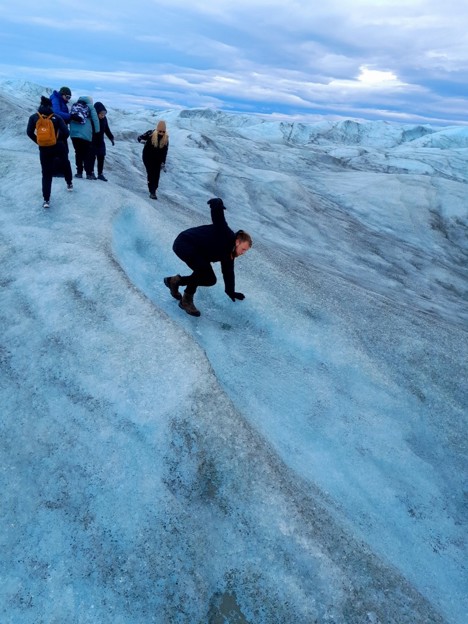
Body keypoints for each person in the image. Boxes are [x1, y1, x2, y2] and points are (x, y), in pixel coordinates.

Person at [164, 197, 252, 317]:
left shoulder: (229, 254)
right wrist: (217, 203)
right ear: (237, 242)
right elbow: (218, 217)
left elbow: (228, 272)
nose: (243, 253)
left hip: (197, 251)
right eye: (243, 249)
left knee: (210, 279)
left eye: (245, 251)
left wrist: (230, 291)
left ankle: (174, 281)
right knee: (202, 270)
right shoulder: (226, 234)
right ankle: (186, 300)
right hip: (184, 243)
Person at [26, 95, 74, 208]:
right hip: (58, 146)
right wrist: (58, 141)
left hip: (44, 149)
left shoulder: (34, 117)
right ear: (50, 106)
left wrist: (39, 142)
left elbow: (29, 132)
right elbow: (66, 132)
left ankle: (46, 200)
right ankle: (69, 183)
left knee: (46, 174)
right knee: (65, 163)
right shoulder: (57, 117)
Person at [69, 95, 100, 179]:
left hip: (74, 134)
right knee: (87, 154)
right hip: (85, 134)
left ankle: (79, 172)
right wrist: (97, 131)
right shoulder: (90, 107)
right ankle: (89, 174)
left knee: (78, 152)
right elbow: (95, 119)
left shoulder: (75, 105)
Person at [137, 120, 168, 199]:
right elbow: (139, 138)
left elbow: (164, 152)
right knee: (151, 174)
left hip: (158, 159)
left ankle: (154, 189)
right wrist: (142, 141)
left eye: (163, 131)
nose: (161, 133)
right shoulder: (150, 133)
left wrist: (163, 162)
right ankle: (152, 192)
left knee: (156, 176)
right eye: (160, 131)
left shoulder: (166, 138)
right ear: (157, 129)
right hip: (147, 157)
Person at [90, 102, 114, 181]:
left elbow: (106, 129)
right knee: (92, 157)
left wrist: (111, 137)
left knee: (101, 156)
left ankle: (100, 174)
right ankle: (91, 172)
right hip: (92, 140)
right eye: (101, 114)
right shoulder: (92, 118)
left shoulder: (104, 119)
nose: (103, 116)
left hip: (100, 141)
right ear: (97, 112)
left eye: (104, 114)